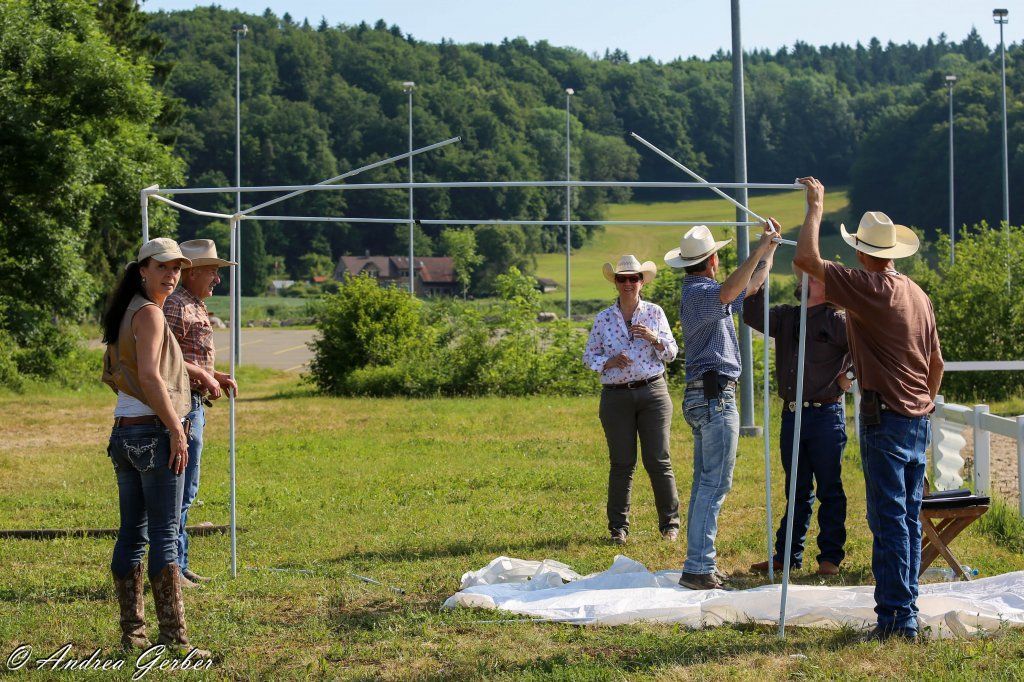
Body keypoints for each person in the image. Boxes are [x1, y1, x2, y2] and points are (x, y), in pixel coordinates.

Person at [793, 177, 944, 642]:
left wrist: (816, 206)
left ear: (861, 253)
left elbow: (806, 260)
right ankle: (906, 609)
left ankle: (897, 620)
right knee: (908, 518)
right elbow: (937, 364)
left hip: (887, 418)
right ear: (894, 252)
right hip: (917, 418)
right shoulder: (916, 293)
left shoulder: (869, 287)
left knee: (888, 520)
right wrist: (924, 404)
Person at [101, 238, 207, 654]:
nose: (171, 275)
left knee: (132, 534)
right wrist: (176, 429)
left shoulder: (127, 310)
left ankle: (132, 635)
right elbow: (149, 375)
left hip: (124, 433)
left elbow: (118, 373)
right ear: (142, 269)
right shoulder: (150, 313)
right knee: (163, 535)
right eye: (162, 267)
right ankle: (175, 641)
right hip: (153, 434)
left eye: (177, 268)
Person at [666, 221, 780, 590]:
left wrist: (769, 250)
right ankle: (699, 567)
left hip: (708, 395)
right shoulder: (702, 293)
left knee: (707, 483)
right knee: (714, 484)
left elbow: (751, 286)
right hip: (714, 397)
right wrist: (758, 249)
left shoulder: (704, 292)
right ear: (713, 260)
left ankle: (698, 564)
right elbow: (733, 289)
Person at [742, 264, 853, 577]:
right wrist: (764, 267)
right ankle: (787, 555)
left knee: (829, 488)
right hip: (792, 414)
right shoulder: (786, 316)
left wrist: (850, 375)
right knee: (796, 489)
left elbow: (870, 347)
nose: (803, 278)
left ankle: (830, 558)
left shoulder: (837, 321)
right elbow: (751, 313)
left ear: (826, 288)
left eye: (812, 275)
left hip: (826, 415)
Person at [583, 255, 680, 544]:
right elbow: (588, 357)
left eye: (633, 278)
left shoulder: (654, 313)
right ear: (615, 282)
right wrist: (608, 362)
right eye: (622, 279)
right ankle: (618, 529)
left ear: (642, 281)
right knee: (621, 463)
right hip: (616, 397)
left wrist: (653, 338)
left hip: (653, 393)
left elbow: (671, 353)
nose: (628, 283)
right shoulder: (603, 318)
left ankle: (670, 525)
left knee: (658, 460)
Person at [163, 239, 238, 587]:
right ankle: (172, 569)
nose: (217, 279)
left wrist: (214, 374)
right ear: (192, 273)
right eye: (212, 271)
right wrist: (204, 376)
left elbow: (186, 356)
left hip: (193, 403)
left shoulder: (192, 303)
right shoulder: (176, 305)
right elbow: (165, 357)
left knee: (187, 489)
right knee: (180, 490)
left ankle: (180, 564)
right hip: (181, 406)